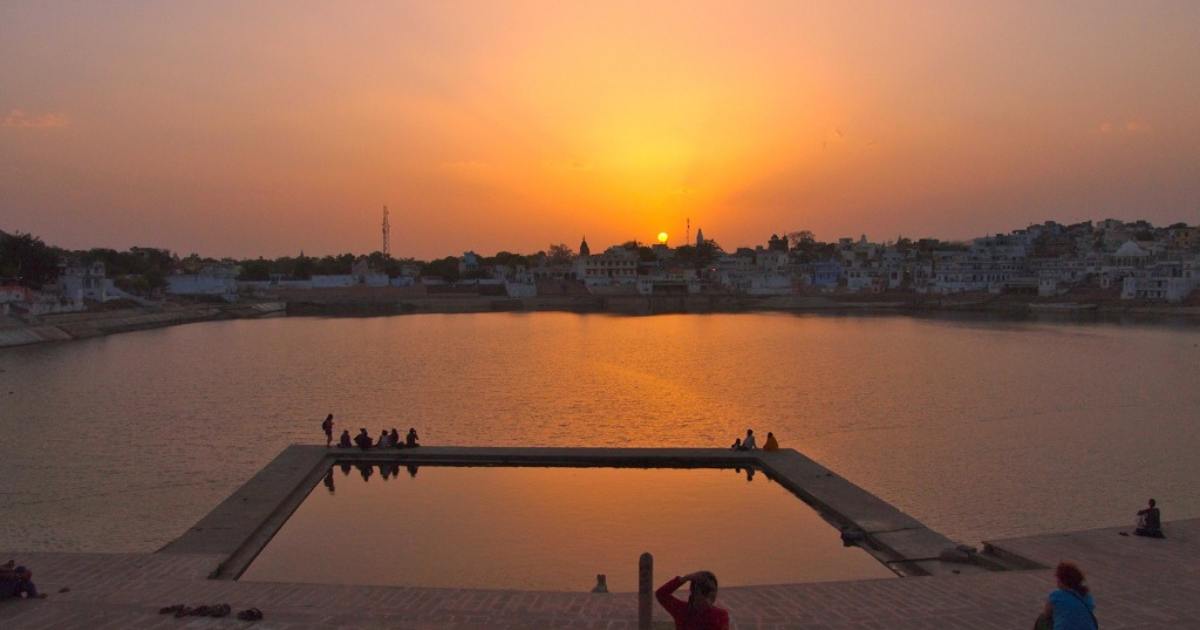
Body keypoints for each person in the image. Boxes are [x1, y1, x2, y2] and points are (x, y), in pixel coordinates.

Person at [655, 571, 729, 630]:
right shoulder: (682, 609)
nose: (711, 594)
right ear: (695, 593)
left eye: (713, 590)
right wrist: (686, 578)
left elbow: (661, 594)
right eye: (705, 590)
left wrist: (685, 578)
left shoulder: (719, 615)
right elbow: (661, 594)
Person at [1037, 562, 1097, 630]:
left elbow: (1047, 614)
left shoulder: (1056, 595)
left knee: (1042, 619)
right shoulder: (1087, 596)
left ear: (1062, 581)